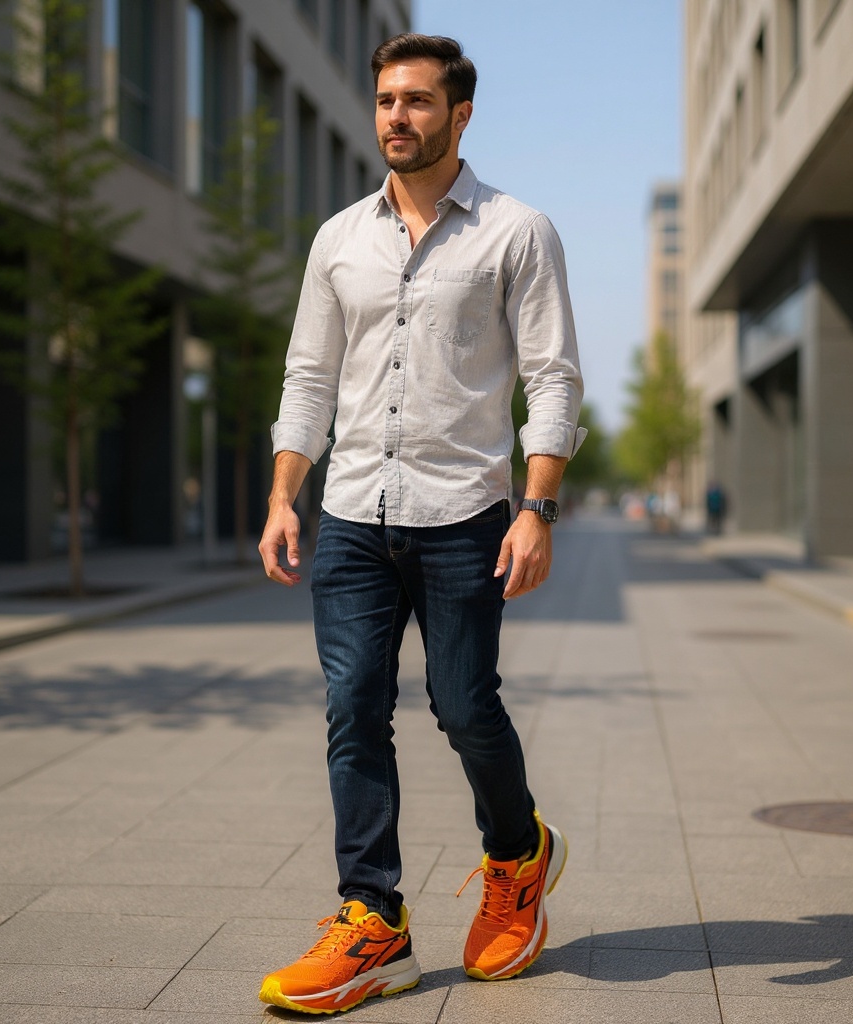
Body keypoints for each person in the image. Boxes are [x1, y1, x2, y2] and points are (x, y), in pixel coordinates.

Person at [257, 32, 585, 1015]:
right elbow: (308, 378)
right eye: (386, 100)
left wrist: (536, 507)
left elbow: (553, 378)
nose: (396, 117)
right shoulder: (338, 239)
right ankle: (373, 921)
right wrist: (284, 491)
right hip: (352, 514)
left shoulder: (515, 231)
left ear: (459, 114)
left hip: (463, 518)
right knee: (352, 709)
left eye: (416, 101)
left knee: (460, 705)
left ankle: (516, 854)